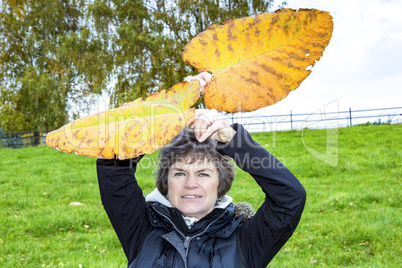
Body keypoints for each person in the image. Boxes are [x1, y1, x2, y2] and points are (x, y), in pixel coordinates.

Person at [96, 109, 306, 268]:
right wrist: (166, 121)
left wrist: (232, 141)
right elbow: (113, 168)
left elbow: (289, 198)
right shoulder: (142, 229)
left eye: (203, 174)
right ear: (165, 183)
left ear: (220, 183)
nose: (190, 183)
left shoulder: (246, 241)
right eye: (179, 173)